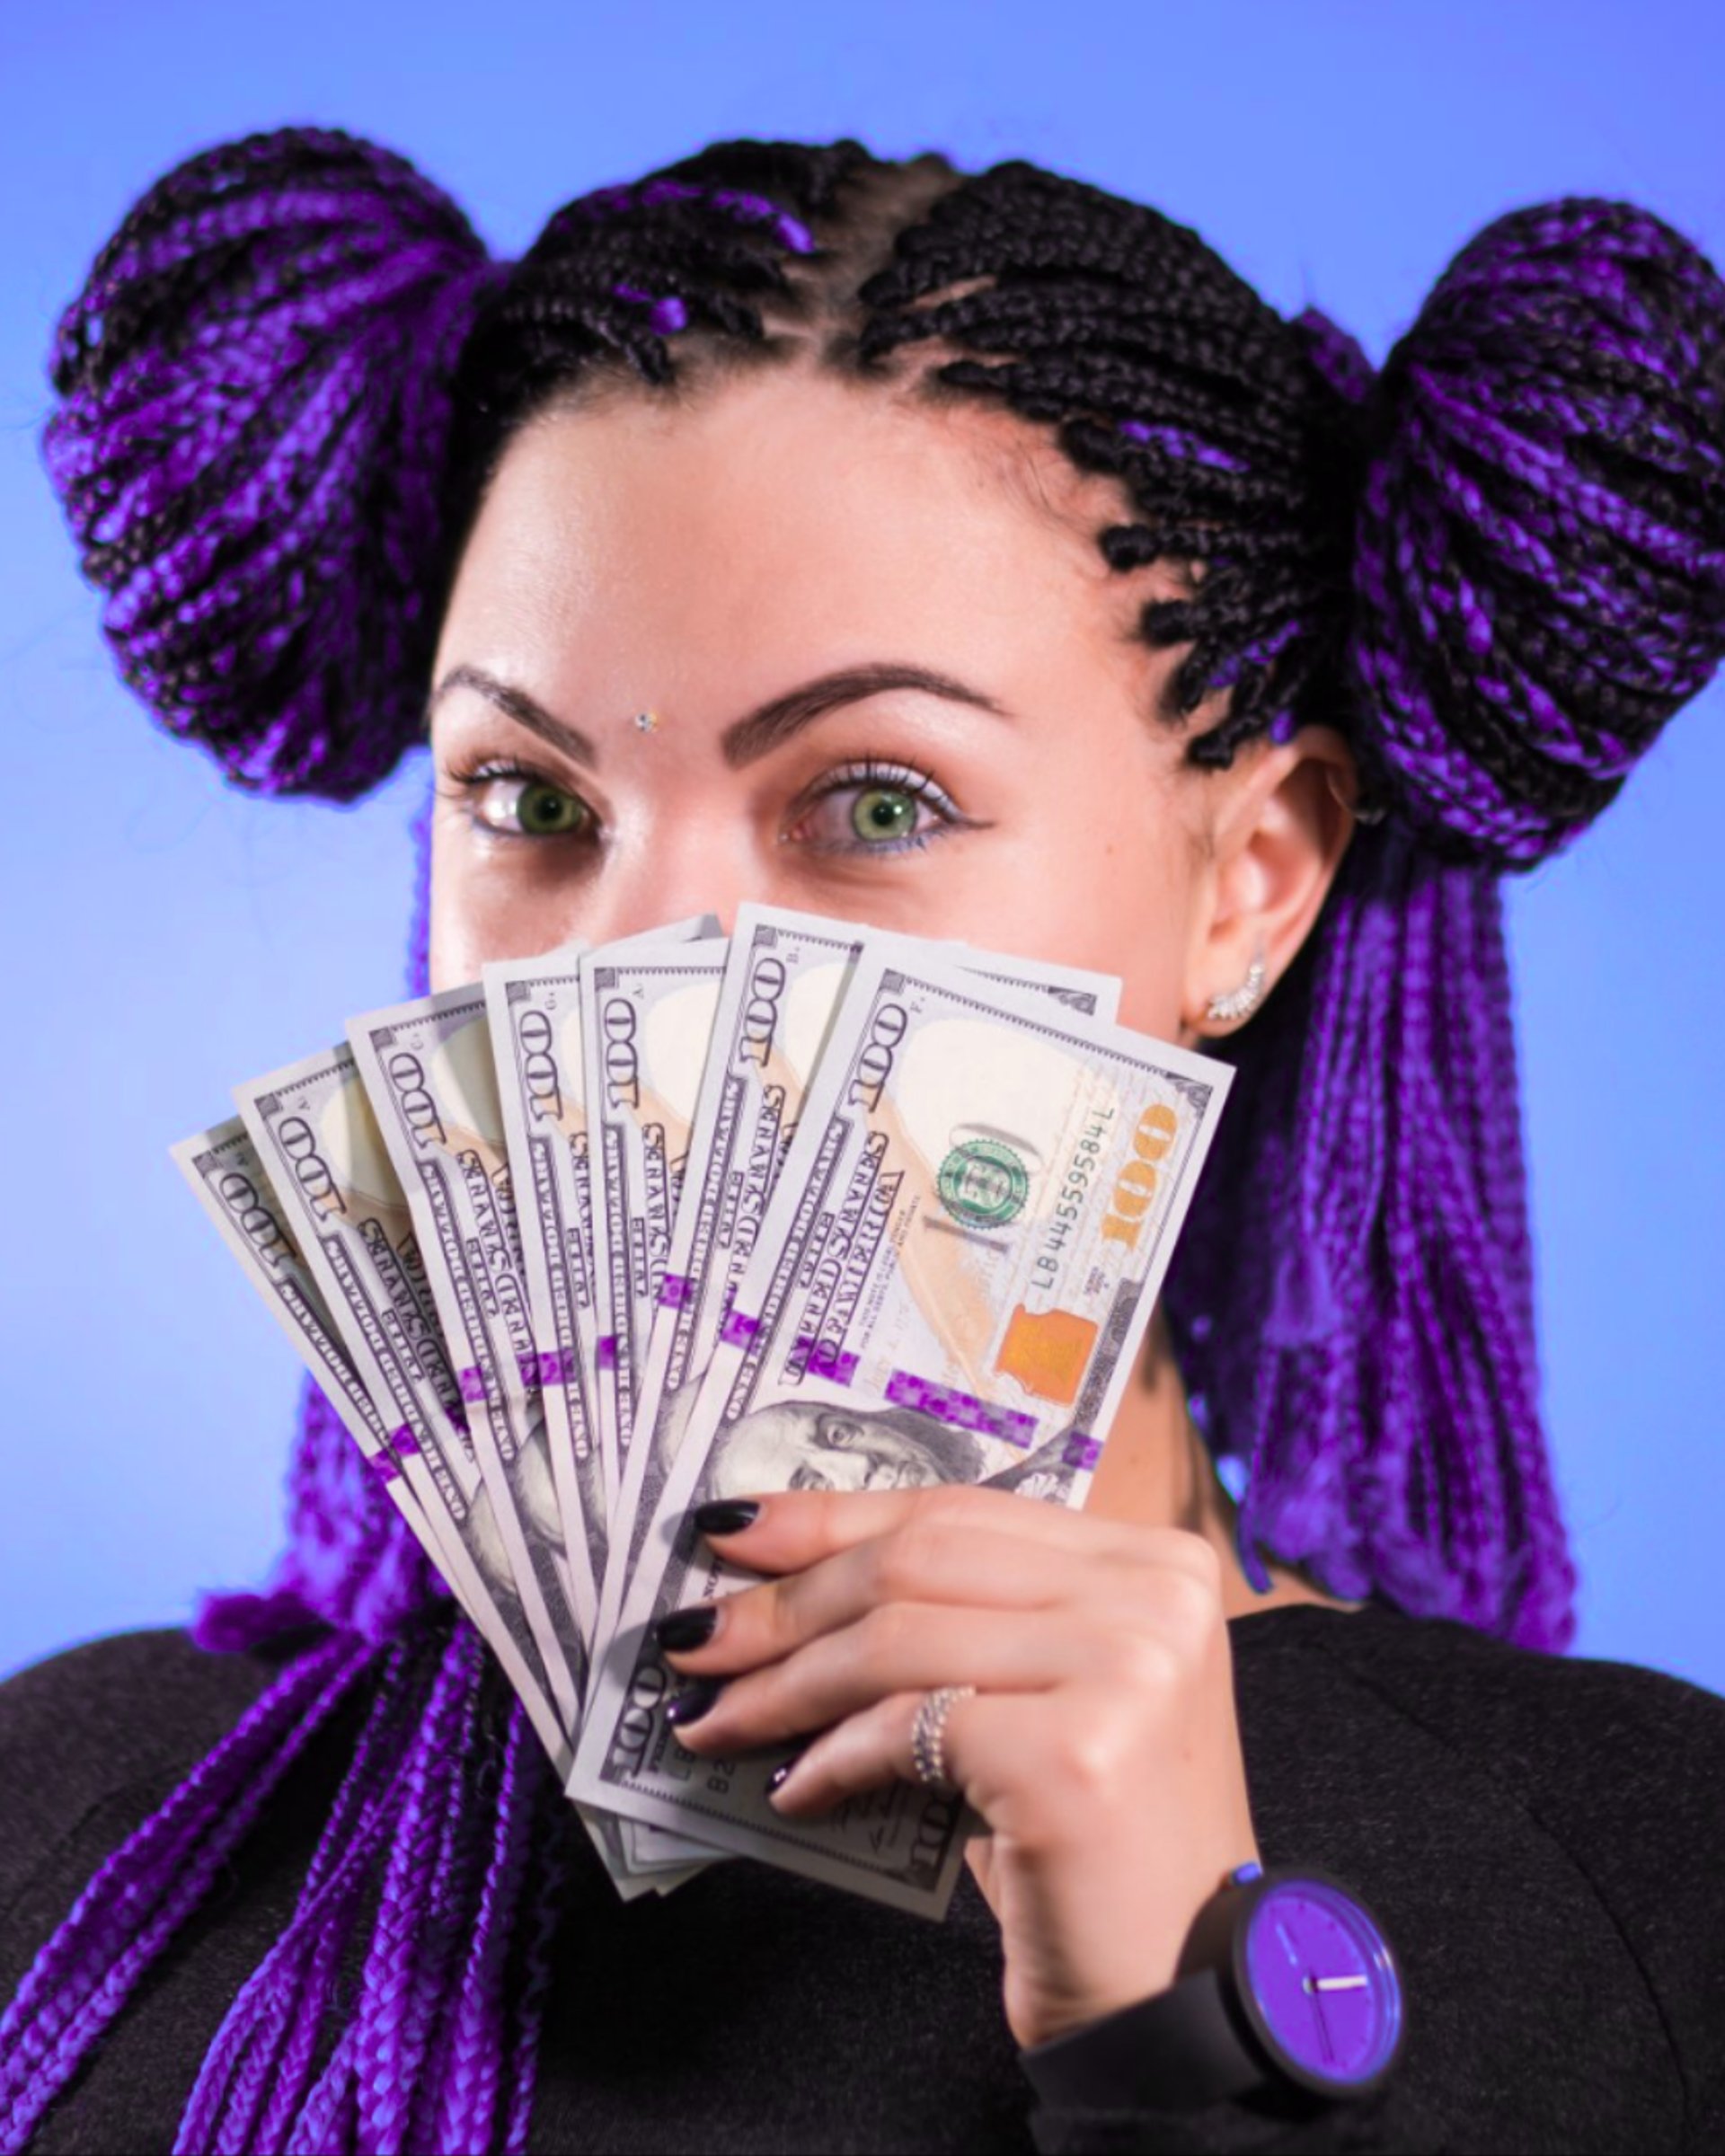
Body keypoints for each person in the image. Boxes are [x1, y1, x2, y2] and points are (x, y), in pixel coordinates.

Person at [2, 128, 1722, 2155]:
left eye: (878, 803)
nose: (632, 977)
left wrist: (1184, 2047)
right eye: (530, 801)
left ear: (1253, 882)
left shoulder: (1651, 1880)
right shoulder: (79, 1834)